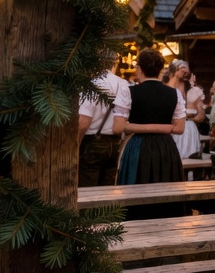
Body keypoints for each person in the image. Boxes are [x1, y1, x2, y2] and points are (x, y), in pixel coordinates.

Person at [113, 48, 186, 189]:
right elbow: (179, 128)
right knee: (166, 188)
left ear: (139, 69)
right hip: (165, 147)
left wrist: (134, 126)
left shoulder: (128, 91)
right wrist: (165, 128)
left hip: (138, 146)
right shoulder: (174, 93)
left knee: (136, 188)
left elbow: (118, 127)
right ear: (161, 70)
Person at [77, 52, 131, 188]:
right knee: (107, 190)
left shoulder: (92, 85)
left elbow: (83, 122)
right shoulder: (124, 84)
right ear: (115, 63)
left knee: (87, 190)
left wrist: (75, 146)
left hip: (93, 142)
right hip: (115, 142)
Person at [166, 60, 204, 159]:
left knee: (191, 159)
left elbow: (201, 116)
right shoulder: (166, 88)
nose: (184, 72)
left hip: (190, 129)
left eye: (185, 69)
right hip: (173, 128)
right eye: (180, 69)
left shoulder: (193, 90)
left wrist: (189, 116)